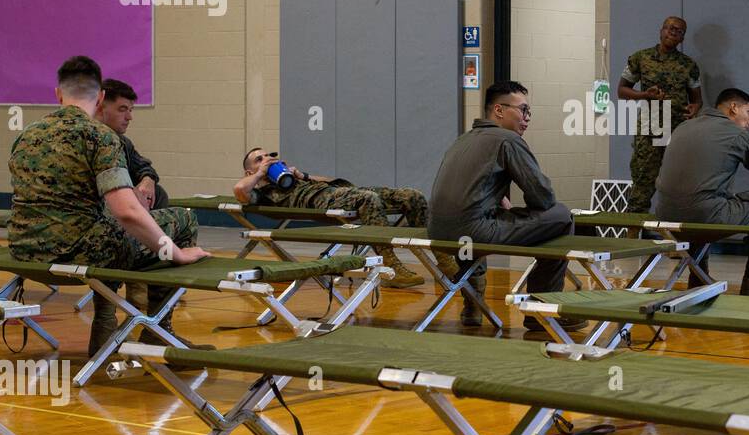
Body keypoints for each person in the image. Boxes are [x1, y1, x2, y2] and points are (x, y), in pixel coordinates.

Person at [8, 56, 210, 357]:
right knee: (183, 220)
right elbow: (126, 211)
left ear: (57, 94)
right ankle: (159, 334)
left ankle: (106, 322)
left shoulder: (27, 135)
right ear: (100, 96)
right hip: (75, 252)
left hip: (24, 252)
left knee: (108, 232)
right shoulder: (100, 136)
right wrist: (176, 252)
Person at [429, 80, 579, 331]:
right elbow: (543, 197)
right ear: (499, 110)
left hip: (437, 230)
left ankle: (473, 304)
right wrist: (529, 212)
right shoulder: (508, 140)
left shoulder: (463, 140)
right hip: (474, 230)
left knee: (475, 221)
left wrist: (501, 202)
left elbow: (467, 192)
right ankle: (541, 312)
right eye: (523, 110)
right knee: (561, 216)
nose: (527, 118)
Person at [235, 149, 442, 289]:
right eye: (259, 160)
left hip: (340, 192)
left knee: (412, 195)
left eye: (267, 157)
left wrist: (302, 175)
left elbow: (330, 182)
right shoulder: (259, 191)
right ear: (249, 171)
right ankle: (391, 266)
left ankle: (443, 260)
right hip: (322, 202)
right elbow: (239, 190)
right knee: (368, 199)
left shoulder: (289, 178)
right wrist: (262, 173)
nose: (266, 161)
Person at [655, 87, 749, 295]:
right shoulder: (736, 134)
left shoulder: (683, 127)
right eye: (748, 113)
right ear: (733, 108)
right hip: (704, 219)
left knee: (700, 199)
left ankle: (698, 277)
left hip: (666, 221)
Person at [618, 16, 703, 213]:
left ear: (682, 38)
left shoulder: (688, 65)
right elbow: (621, 91)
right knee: (643, 181)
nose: (674, 32)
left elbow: (697, 99)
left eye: (679, 31)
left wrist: (695, 107)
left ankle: (677, 233)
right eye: (670, 28)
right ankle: (635, 236)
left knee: (681, 182)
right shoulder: (640, 58)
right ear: (661, 30)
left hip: (679, 130)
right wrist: (644, 95)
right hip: (651, 127)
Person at [96, 78, 169, 209]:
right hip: (97, 208)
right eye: (122, 109)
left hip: (120, 205)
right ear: (101, 108)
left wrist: (148, 180)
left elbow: (143, 166)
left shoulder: (122, 142)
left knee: (157, 193)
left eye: (130, 110)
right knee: (185, 218)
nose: (129, 117)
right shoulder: (90, 140)